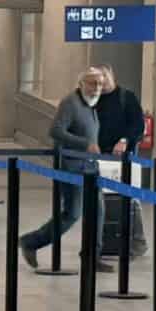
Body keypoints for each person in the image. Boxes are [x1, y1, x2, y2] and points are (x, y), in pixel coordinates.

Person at [22, 67, 109, 271]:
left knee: (98, 211)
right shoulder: (70, 103)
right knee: (72, 213)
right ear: (81, 84)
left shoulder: (91, 105)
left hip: (90, 167)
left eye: (99, 84)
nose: (97, 88)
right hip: (71, 168)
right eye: (92, 83)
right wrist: (84, 144)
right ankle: (31, 242)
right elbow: (55, 130)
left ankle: (91, 257)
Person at [93, 64, 149, 258]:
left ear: (112, 75)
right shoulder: (93, 99)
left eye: (104, 77)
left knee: (130, 198)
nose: (102, 82)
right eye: (97, 79)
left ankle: (138, 241)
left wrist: (124, 140)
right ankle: (101, 242)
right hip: (98, 156)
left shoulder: (127, 97)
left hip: (123, 158)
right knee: (99, 199)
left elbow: (138, 126)